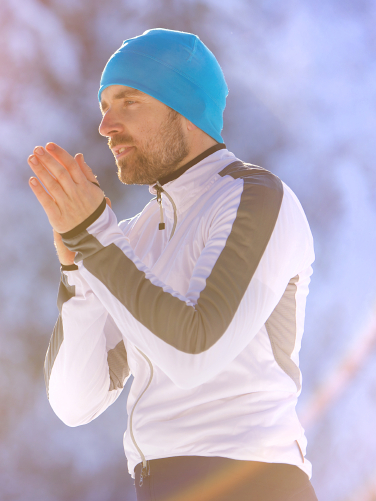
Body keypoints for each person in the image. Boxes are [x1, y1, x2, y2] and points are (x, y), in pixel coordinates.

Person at [29, 29, 318, 500]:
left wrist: (95, 239)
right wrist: (78, 273)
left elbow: (194, 354)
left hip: (252, 484)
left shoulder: (255, 199)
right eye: (104, 106)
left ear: (181, 106)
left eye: (128, 101)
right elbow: (74, 402)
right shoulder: (133, 236)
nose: (106, 125)